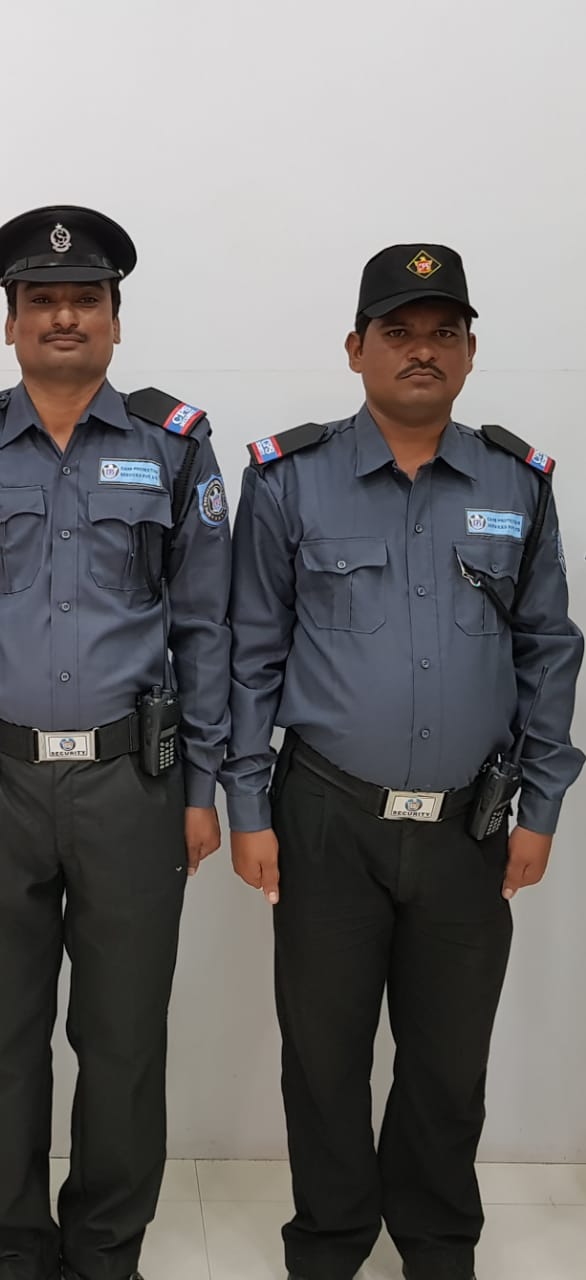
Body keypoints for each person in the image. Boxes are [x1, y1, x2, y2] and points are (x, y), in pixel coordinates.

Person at [222, 243, 584, 1280]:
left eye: (443, 331)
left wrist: (541, 803)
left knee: (448, 1059)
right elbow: (250, 653)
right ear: (356, 348)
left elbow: (548, 648)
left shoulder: (515, 482)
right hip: (325, 815)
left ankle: (436, 1243)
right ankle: (330, 1242)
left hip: (472, 822)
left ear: (469, 350)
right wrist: (248, 804)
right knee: (324, 1053)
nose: (422, 349)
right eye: (398, 331)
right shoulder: (288, 480)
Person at [0, 205, 231, 1280]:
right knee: (0, 1041)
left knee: (123, 1040)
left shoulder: (176, 445)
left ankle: (105, 1252)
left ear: (116, 320)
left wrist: (202, 788)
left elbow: (205, 628)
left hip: (134, 778)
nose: (64, 316)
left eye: (86, 298)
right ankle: (12, 1251)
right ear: (11, 323)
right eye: (42, 301)